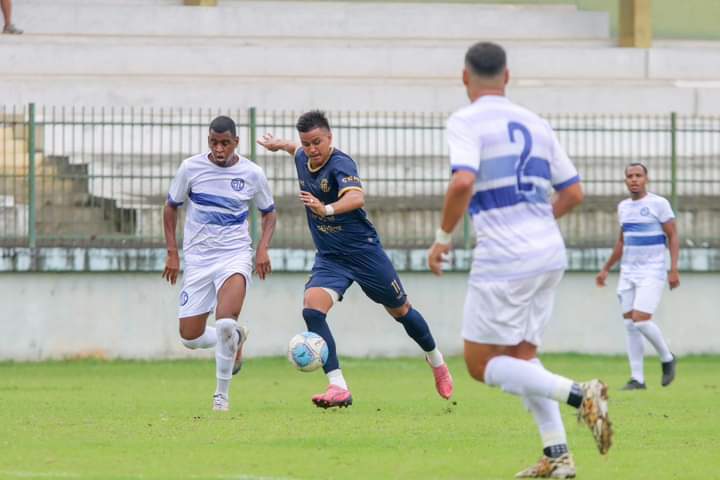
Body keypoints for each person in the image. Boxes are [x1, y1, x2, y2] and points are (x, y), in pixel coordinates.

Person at [427, 42, 612, 478]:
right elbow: (573, 192)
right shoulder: (535, 121)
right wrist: (535, 224)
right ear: (507, 77)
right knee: (522, 357)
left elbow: (462, 182)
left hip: (505, 258)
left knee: (480, 364)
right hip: (548, 251)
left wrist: (442, 238)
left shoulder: (466, 120)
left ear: (465, 77)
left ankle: (580, 394)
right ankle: (557, 456)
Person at [257, 110, 453, 409]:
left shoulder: (341, 164)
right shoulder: (302, 157)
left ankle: (436, 361)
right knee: (312, 309)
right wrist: (280, 144)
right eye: (307, 143)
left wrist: (326, 209)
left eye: (317, 142)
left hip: (364, 253)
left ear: (330, 137)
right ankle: (338, 386)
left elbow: (356, 197)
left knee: (401, 311)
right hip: (331, 257)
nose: (312, 149)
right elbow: (293, 149)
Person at [162, 115, 277, 412]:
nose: (219, 149)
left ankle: (221, 397)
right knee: (190, 337)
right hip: (198, 259)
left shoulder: (252, 173)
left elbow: (269, 213)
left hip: (234, 256)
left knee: (225, 320)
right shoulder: (190, 168)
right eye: (214, 142)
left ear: (236, 142)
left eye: (225, 143)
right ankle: (235, 338)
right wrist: (172, 253)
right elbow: (171, 208)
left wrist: (262, 249)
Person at [596, 163, 679, 390]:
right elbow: (622, 241)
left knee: (641, 320)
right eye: (630, 176)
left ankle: (667, 358)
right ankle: (637, 379)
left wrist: (673, 269)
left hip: (652, 271)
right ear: (625, 180)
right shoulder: (623, 207)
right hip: (628, 272)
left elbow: (673, 236)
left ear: (646, 179)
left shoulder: (659, 204)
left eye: (638, 175)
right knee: (630, 324)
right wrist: (606, 268)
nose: (634, 179)